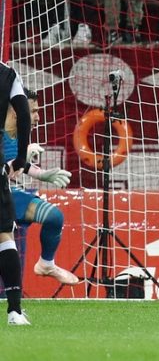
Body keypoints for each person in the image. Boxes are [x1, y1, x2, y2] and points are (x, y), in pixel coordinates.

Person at [2, 88, 78, 287]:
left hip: (6, 194)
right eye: (33, 111)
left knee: (54, 217)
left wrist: (43, 175)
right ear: (16, 110)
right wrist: (19, 160)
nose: (38, 117)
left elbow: (17, 165)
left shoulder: (20, 134)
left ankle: (46, 264)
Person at [0, 61, 31, 325]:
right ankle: (14, 311)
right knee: (3, 235)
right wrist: (21, 157)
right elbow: (23, 111)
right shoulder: (7, 74)